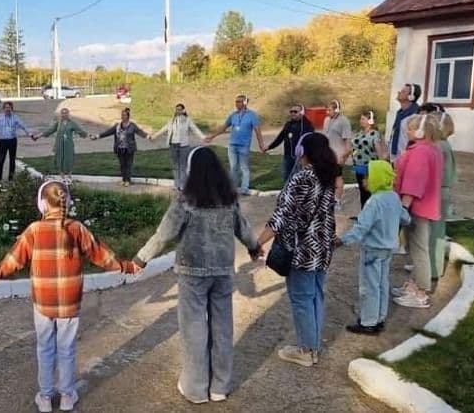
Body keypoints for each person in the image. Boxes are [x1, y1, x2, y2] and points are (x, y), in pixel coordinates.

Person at [0, 180, 140, 413]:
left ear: (42, 204)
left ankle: (45, 397)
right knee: (67, 348)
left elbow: (13, 261)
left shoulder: (34, 230)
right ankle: (67, 395)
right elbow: (102, 256)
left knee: (45, 347)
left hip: (43, 302)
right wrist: (127, 266)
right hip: (70, 301)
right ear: (69, 202)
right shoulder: (77, 229)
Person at [134, 146, 261, 404]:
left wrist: (141, 258)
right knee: (222, 327)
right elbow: (243, 228)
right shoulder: (229, 198)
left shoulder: (185, 201)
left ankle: (195, 388)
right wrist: (254, 247)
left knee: (194, 329)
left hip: (193, 272)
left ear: (192, 170)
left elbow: (164, 234)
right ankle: (220, 387)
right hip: (223, 271)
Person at [256, 133, 337, 367]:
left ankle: (306, 350)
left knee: (301, 299)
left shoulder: (301, 178)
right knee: (316, 296)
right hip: (322, 247)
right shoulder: (327, 176)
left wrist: (258, 241)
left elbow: (282, 216)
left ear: (303, 152)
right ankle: (313, 346)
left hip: (302, 250)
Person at [336, 160, 410, 335]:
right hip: (388, 249)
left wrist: (343, 240)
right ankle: (380, 318)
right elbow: (406, 218)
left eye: (367, 176)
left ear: (376, 179)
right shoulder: (393, 197)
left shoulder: (373, 203)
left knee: (369, 286)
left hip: (372, 250)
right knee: (382, 283)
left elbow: (361, 228)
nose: (363, 180)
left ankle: (368, 322)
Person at [391, 114, 443, 309]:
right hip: (424, 206)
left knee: (419, 250)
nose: (408, 131)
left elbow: (414, 184)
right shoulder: (431, 149)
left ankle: (421, 292)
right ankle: (413, 285)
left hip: (416, 208)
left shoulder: (421, 152)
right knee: (415, 248)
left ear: (421, 131)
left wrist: (403, 208)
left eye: (411, 128)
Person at [205, 95, 265, 195]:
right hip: (232, 145)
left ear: (245, 103)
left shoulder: (252, 115)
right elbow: (223, 128)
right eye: (236, 101)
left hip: (244, 145)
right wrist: (212, 136)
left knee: (244, 167)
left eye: (239, 102)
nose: (236, 104)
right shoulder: (233, 115)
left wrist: (261, 144)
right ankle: (233, 187)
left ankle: (244, 188)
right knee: (233, 167)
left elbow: (257, 131)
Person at [149, 103, 204, 191]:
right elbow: (164, 129)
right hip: (173, 145)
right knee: (175, 165)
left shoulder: (187, 120)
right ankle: (176, 184)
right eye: (176, 109)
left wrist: (204, 137)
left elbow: (195, 129)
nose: (177, 111)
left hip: (183, 145)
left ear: (183, 110)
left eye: (179, 109)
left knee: (182, 165)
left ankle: (182, 185)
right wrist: (154, 136)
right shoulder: (172, 120)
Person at [429, 108, 456, 279]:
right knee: (436, 231)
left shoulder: (439, 146)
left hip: (437, 192)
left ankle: (433, 269)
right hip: (443, 192)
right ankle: (433, 267)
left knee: (434, 233)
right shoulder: (445, 144)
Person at [91, 108, 148, 187]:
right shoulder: (117, 126)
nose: (122, 117)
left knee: (128, 164)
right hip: (119, 148)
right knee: (122, 164)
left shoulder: (132, 125)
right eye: (122, 115)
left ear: (128, 116)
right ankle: (123, 179)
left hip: (129, 148)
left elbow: (139, 131)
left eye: (124, 115)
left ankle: (128, 180)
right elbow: (107, 132)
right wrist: (97, 136)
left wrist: (148, 136)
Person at [0, 101, 34, 184]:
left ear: (12, 109)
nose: (8, 109)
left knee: (12, 160)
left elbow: (23, 126)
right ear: (3, 109)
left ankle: (11, 178)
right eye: (6, 107)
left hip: (12, 140)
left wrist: (30, 134)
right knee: (1, 160)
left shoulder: (15, 117)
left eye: (9, 107)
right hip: (3, 141)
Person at [34, 108, 88, 181]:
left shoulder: (72, 123)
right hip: (59, 143)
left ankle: (69, 175)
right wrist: (39, 135)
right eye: (62, 113)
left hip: (68, 144)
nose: (64, 114)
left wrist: (88, 135)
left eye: (66, 113)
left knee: (69, 158)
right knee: (59, 158)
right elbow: (50, 130)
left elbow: (80, 131)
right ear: (61, 114)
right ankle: (61, 174)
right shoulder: (58, 123)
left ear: (68, 114)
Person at [265, 104, 314, 182]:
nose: (293, 113)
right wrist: (269, 147)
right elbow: (280, 137)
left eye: (295, 111)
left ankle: (299, 193)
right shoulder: (288, 124)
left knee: (300, 178)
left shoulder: (307, 125)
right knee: (287, 177)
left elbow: (311, 140)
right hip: (288, 156)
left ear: (302, 112)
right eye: (291, 111)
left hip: (301, 157)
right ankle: (287, 192)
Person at [350, 111, 386, 210]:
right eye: (360, 119)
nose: (360, 121)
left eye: (363, 119)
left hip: (370, 166)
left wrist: (381, 166)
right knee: (362, 191)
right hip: (359, 165)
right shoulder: (359, 133)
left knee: (369, 191)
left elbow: (379, 151)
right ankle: (363, 212)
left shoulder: (375, 134)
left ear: (370, 120)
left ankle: (370, 213)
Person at [323, 100, 352, 210]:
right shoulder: (326, 120)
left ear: (337, 109)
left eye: (329, 110)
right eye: (327, 109)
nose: (327, 112)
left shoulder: (344, 121)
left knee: (337, 177)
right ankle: (328, 198)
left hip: (338, 154)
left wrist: (345, 155)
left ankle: (338, 200)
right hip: (327, 153)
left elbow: (347, 140)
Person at [389, 84, 422, 161]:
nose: (399, 92)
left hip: (407, 159)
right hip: (395, 158)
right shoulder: (400, 113)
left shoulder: (416, 115)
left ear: (411, 97)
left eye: (403, 91)